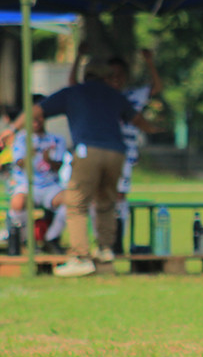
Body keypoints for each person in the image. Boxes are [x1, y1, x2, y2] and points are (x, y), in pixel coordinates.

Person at [0, 57, 152, 277]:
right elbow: (138, 119)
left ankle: (80, 256)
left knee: (77, 203)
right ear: (106, 77)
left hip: (88, 151)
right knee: (107, 200)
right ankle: (106, 249)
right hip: (117, 153)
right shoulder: (114, 95)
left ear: (86, 75)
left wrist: (12, 128)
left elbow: (39, 108)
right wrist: (157, 129)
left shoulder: (76, 91)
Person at [70, 46, 163, 253]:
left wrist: (149, 62)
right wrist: (78, 58)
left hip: (123, 153)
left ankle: (114, 243)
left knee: (116, 196)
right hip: (100, 150)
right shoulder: (98, 96)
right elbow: (73, 87)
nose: (116, 79)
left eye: (120, 75)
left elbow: (155, 89)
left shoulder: (129, 95)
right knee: (96, 197)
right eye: (111, 75)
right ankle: (102, 243)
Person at [5, 95, 68, 254]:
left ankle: (51, 238)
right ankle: (25, 240)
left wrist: (49, 160)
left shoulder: (57, 140)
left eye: (39, 118)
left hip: (49, 186)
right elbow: (18, 162)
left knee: (72, 200)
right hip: (26, 184)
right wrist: (30, 155)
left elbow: (59, 166)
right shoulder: (21, 139)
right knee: (18, 202)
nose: (36, 122)